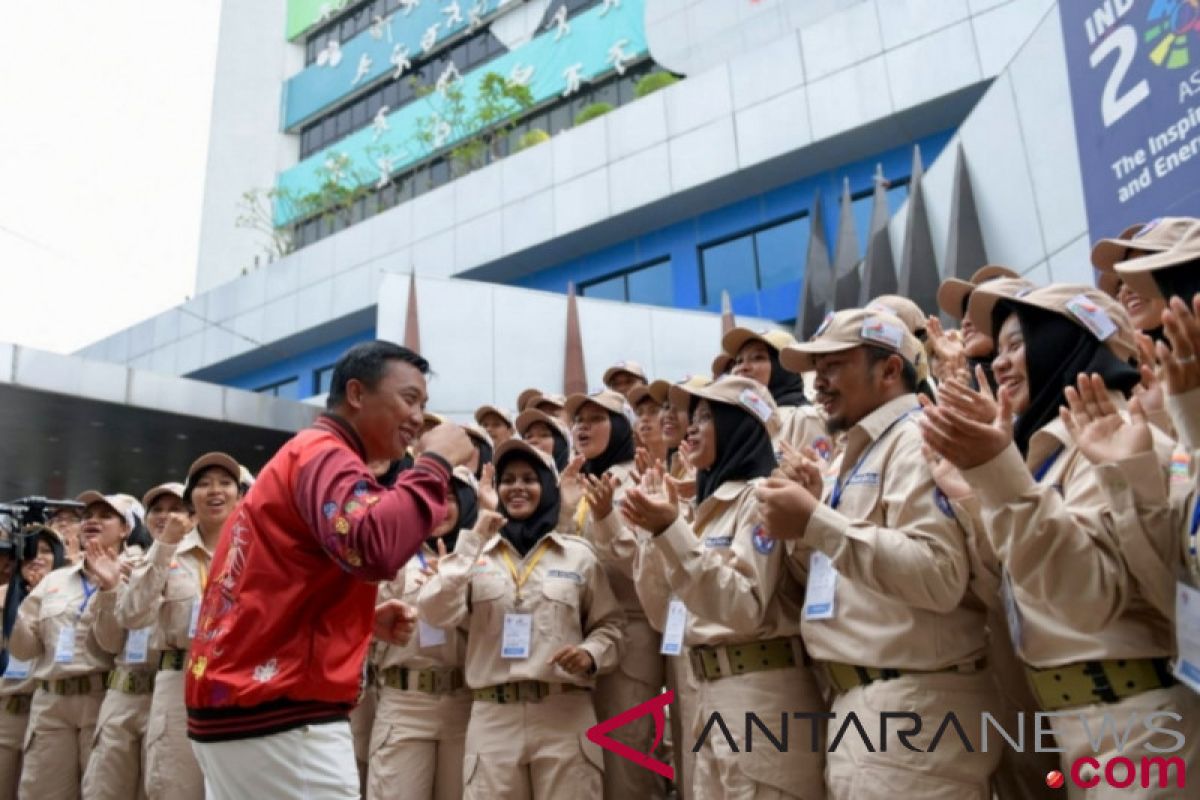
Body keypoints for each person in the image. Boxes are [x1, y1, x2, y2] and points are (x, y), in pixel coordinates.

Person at [920, 284, 1195, 790]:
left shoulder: (1123, 442)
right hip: (1074, 726)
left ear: (1065, 342)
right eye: (999, 350)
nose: (1000, 364)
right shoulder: (1042, 456)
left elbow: (1085, 595)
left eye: (1019, 344)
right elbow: (1011, 587)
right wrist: (976, 494)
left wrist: (997, 476)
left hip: (1138, 725)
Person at [184, 341, 473, 799]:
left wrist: (359, 619)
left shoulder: (309, 453)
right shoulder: (325, 452)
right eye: (409, 399)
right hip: (280, 716)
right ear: (356, 394)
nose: (418, 418)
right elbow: (372, 544)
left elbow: (283, 574)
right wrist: (435, 463)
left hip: (247, 708)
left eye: (424, 404)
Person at [755, 309, 999, 798]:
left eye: (834, 365)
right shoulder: (859, 450)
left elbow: (938, 575)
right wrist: (806, 533)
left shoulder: (916, 438)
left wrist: (816, 522)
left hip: (915, 712)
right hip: (867, 708)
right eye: (815, 368)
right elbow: (846, 581)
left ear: (890, 371)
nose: (818, 382)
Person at [601, 375, 827, 799]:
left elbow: (742, 606)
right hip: (706, 694)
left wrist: (672, 530)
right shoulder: (704, 512)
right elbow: (663, 613)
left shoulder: (763, 498)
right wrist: (657, 534)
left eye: (706, 417)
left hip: (761, 695)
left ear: (738, 426)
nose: (690, 428)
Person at [418, 439, 624, 799]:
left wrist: (591, 653)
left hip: (564, 714)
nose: (517, 487)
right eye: (508, 479)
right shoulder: (473, 554)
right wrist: (476, 532)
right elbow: (435, 611)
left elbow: (611, 626)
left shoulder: (578, 556)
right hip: (493, 719)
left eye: (529, 478)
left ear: (547, 488)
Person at [116, 461, 241, 800]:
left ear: (239, 496)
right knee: (174, 787)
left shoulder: (254, 554)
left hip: (237, 683)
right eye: (204, 484)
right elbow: (131, 615)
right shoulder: (167, 553)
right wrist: (165, 546)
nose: (215, 490)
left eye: (225, 483)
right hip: (178, 686)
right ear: (191, 500)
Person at [565, 389, 667, 800]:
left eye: (597, 418)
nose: (583, 426)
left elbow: (643, 566)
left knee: (629, 765)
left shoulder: (637, 479)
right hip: (581, 640)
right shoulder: (572, 479)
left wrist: (606, 516)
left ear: (621, 426)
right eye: (578, 420)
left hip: (630, 639)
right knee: (587, 765)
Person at [9, 492, 140, 800]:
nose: (93, 520)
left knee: (102, 792)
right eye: (88, 515)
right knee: (41, 792)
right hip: (50, 704)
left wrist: (110, 589)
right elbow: (25, 650)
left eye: (105, 515)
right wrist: (8, 615)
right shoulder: (54, 580)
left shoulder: (137, 573)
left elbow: (113, 644)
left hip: (101, 698)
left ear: (125, 529)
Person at [367, 467, 482, 800]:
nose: (440, 508)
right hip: (403, 703)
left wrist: (452, 581)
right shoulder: (393, 555)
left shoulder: (482, 556)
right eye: (432, 497)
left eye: (449, 498)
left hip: (461, 702)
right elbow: (365, 625)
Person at [83, 487, 178, 800]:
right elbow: (110, 644)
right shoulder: (126, 567)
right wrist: (111, 589)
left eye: (175, 508)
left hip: (169, 696)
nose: (164, 516)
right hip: (122, 696)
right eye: (157, 509)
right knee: (105, 789)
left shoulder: (198, 565)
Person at [0, 526, 66, 800]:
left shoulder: (70, 596)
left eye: (46, 551)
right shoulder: (4, 594)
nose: (36, 557)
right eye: (29, 551)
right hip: (5, 711)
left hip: (48, 710)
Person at [720, 328, 831, 463]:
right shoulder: (737, 424)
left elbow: (819, 479)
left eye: (758, 358)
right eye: (739, 361)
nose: (743, 367)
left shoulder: (803, 418)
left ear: (783, 367)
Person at [627, 384, 668, 467]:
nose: (644, 418)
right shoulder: (624, 472)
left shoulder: (691, 467)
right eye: (639, 413)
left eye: (654, 411)